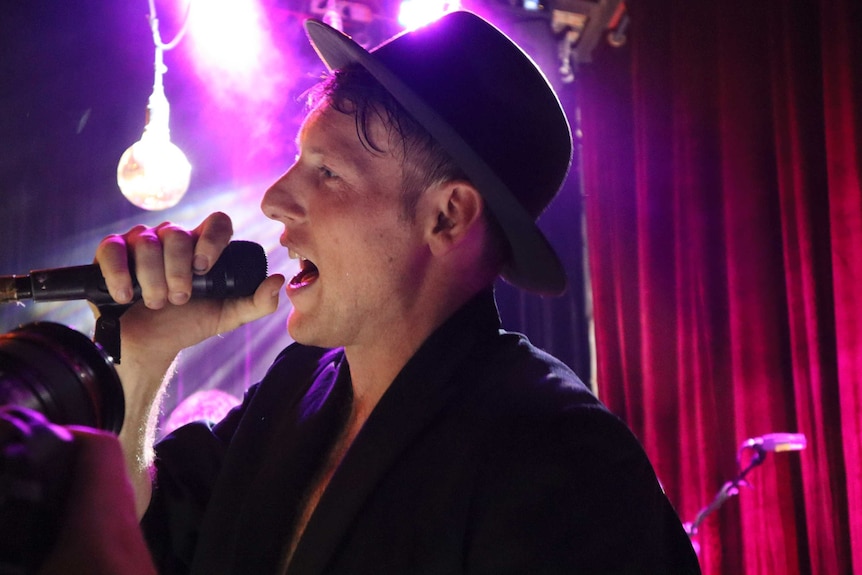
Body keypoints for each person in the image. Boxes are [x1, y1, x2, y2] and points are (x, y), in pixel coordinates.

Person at [93, 11, 700, 574]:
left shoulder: (564, 457)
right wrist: (143, 360)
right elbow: (129, 543)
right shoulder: (292, 389)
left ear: (448, 217)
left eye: (327, 172)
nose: (273, 200)